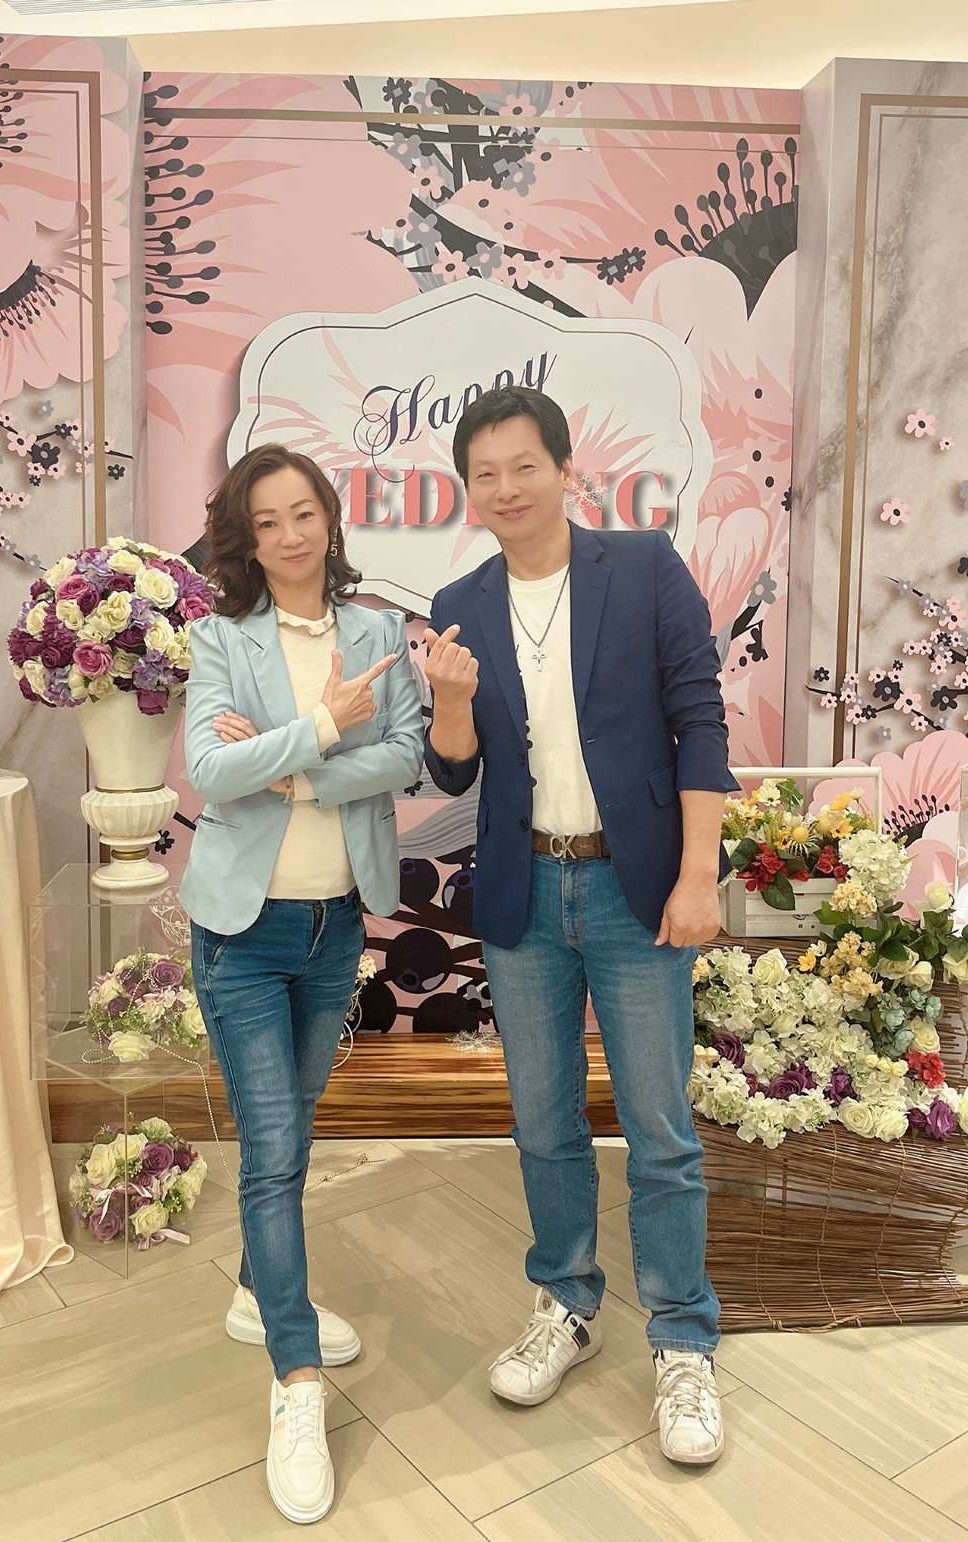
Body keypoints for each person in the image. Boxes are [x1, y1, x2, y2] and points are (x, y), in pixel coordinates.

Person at [422, 386, 738, 1465]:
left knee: (660, 1128)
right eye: (485, 475)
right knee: (544, 1122)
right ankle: (566, 1301)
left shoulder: (642, 568)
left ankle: (683, 1338)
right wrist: (450, 702)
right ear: (468, 492)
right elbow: (452, 770)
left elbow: (700, 722)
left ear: (567, 470)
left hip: (634, 890)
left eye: (525, 466)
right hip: (524, 893)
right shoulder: (460, 599)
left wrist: (697, 878)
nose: (506, 488)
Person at [180, 443, 424, 1524]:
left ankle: (255, 1291)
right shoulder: (220, 637)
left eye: (303, 513)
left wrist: (290, 767)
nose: (289, 535)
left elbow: (407, 754)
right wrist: (324, 727)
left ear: (330, 518)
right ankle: (295, 1378)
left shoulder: (376, 632)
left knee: (295, 1131)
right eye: (266, 521)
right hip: (242, 934)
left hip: (335, 927)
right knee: (274, 1154)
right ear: (247, 537)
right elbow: (211, 771)